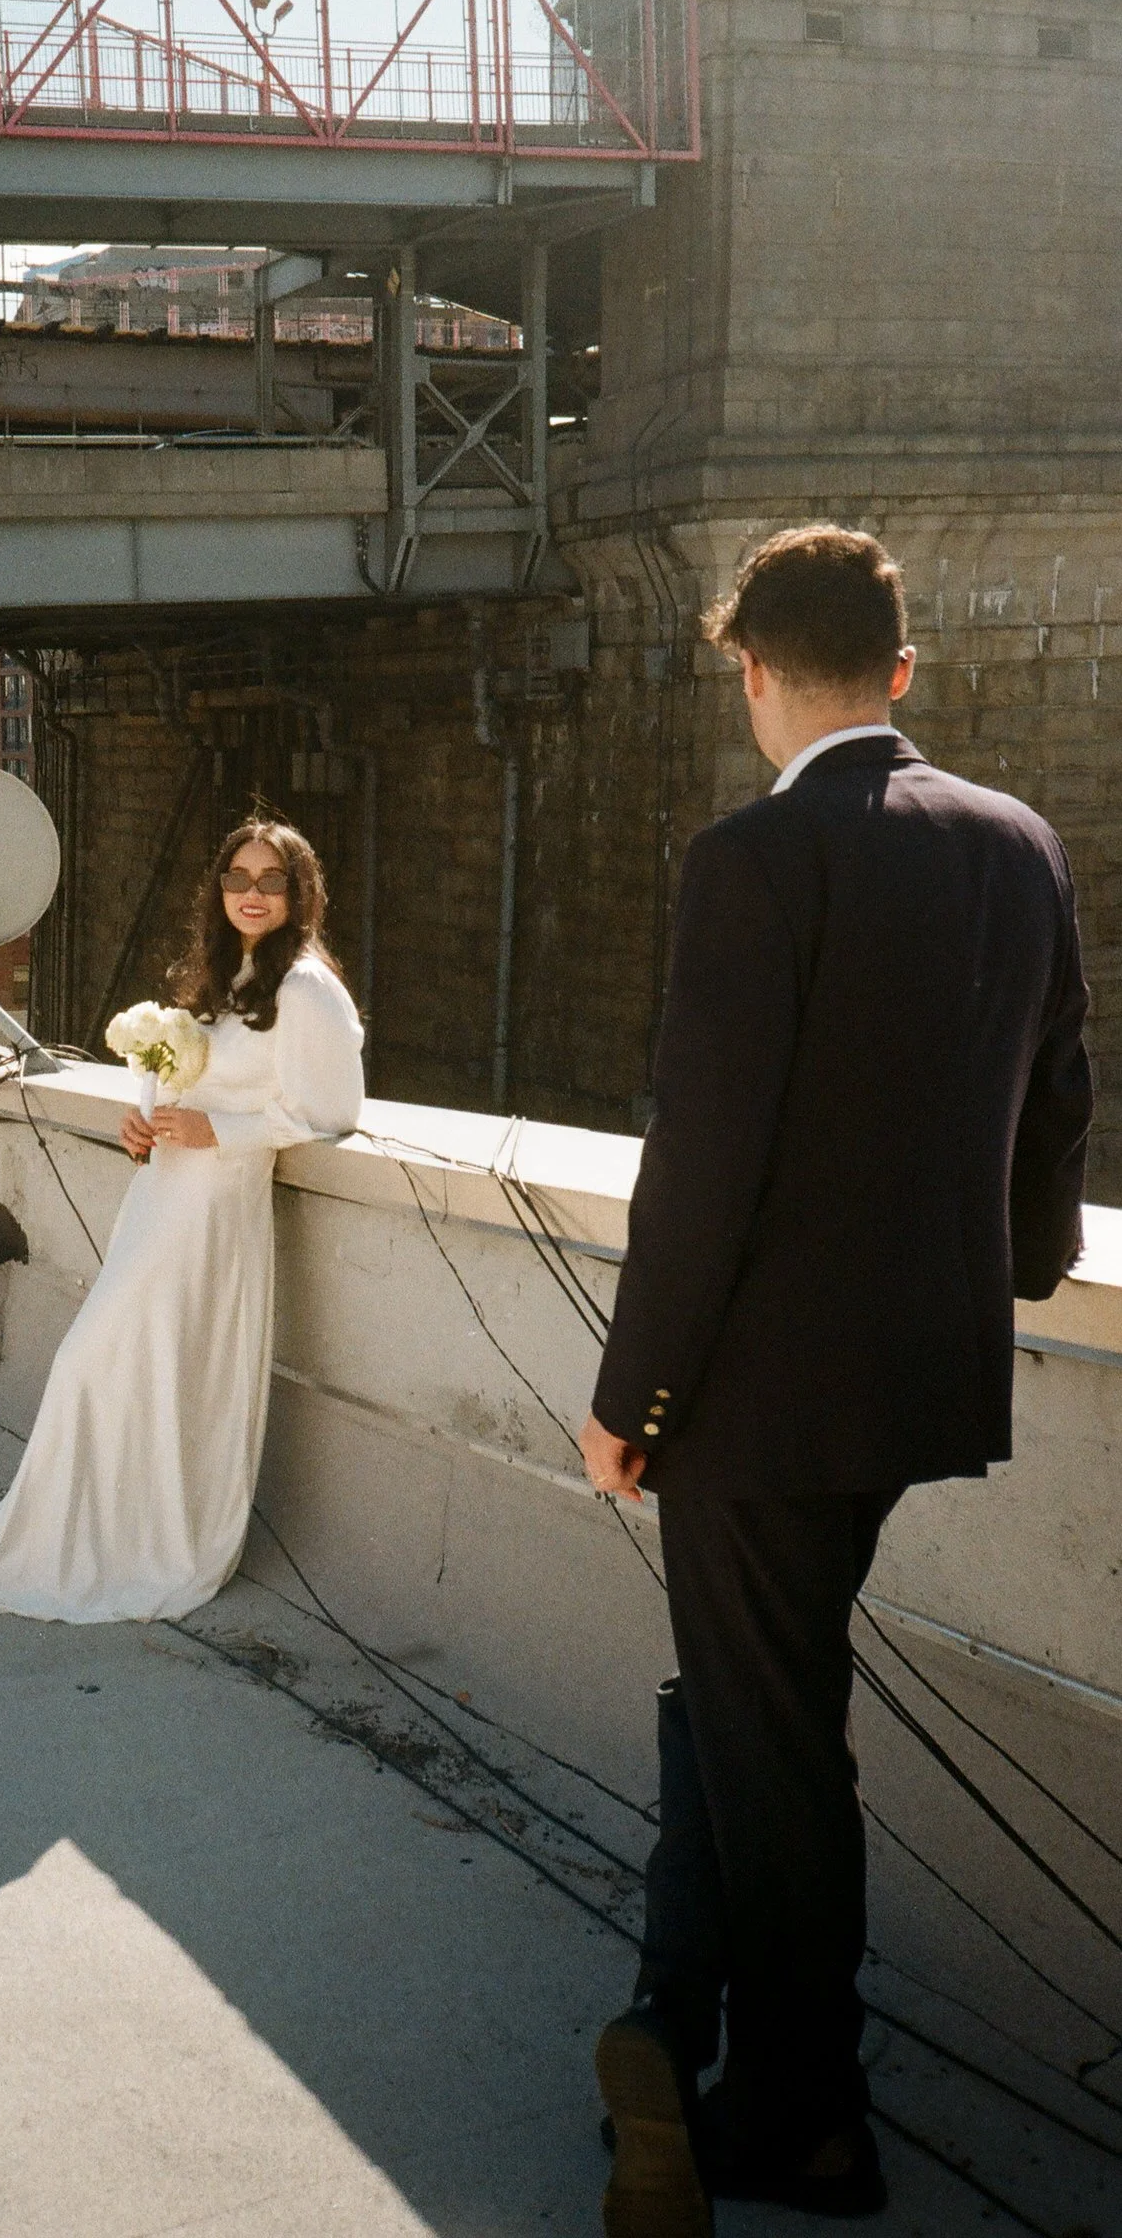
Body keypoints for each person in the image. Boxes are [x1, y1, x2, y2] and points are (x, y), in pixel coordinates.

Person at [580, 526, 1091, 2237]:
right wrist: (996, 1273)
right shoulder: (1018, 845)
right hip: (917, 1374)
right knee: (747, 1705)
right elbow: (1060, 1104)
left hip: (754, 1399)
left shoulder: (751, 860)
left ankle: (799, 2112)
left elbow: (700, 1167)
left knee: (775, 1741)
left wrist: (630, 1398)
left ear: (746, 672)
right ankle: (675, 2016)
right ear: (898, 666)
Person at [0, 818, 365, 1625]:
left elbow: (333, 1112)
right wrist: (148, 1120)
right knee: (120, 1362)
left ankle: (108, 1549)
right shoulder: (232, 975)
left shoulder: (306, 987)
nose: (251, 895)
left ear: (299, 894)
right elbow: (205, 1086)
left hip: (217, 1206)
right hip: (164, 1196)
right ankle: (79, 1539)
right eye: (237, 879)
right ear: (218, 891)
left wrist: (219, 1131)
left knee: (119, 1362)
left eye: (270, 881)